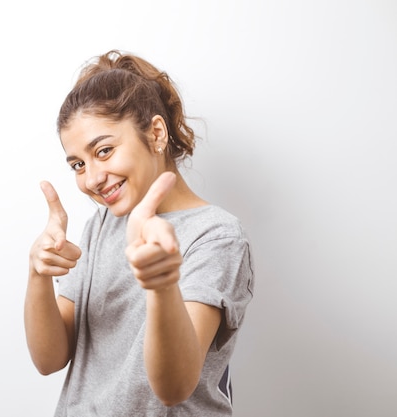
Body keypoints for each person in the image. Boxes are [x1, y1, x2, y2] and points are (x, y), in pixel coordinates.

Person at [24, 49, 254, 416]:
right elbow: (49, 359)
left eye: (105, 150)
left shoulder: (216, 235)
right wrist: (37, 273)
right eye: (78, 164)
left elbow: (173, 388)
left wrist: (161, 286)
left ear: (157, 133)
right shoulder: (100, 226)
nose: (92, 178)